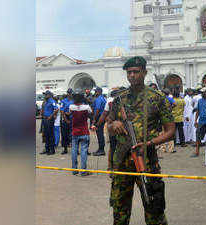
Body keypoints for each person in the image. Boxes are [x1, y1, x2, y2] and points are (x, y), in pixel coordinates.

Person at [106, 56, 175, 225]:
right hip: (122, 161)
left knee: (154, 208)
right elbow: (108, 123)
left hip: (146, 160)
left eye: (136, 72)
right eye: (129, 72)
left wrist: (149, 144)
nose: (132, 76)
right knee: (119, 210)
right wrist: (113, 124)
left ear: (144, 72)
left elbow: (170, 131)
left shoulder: (157, 98)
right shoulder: (119, 99)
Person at [69, 90, 92, 176]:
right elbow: (91, 114)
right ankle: (83, 170)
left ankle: (74, 170)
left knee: (74, 151)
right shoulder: (87, 107)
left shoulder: (71, 107)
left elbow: (70, 113)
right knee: (83, 151)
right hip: (84, 132)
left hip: (75, 132)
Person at [40, 90, 58, 155]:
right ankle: (47, 149)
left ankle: (52, 150)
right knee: (46, 135)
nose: (45, 95)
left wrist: (51, 116)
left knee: (51, 135)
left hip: (49, 120)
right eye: (45, 94)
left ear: (49, 95)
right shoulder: (45, 101)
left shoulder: (52, 101)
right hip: (44, 119)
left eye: (46, 94)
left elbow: (56, 109)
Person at [191, 87, 206, 157]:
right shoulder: (200, 100)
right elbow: (198, 111)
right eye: (202, 92)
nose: (203, 93)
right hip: (201, 121)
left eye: (205, 92)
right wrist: (195, 120)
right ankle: (197, 152)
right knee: (198, 136)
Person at [91, 87, 107, 156]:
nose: (95, 93)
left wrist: (94, 119)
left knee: (99, 134)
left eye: (96, 91)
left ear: (98, 92)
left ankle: (101, 150)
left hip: (98, 117)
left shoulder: (98, 99)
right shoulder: (103, 98)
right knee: (100, 133)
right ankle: (101, 149)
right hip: (102, 117)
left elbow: (97, 110)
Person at [60, 88, 74, 154]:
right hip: (65, 119)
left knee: (73, 135)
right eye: (68, 93)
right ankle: (65, 149)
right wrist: (66, 119)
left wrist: (71, 113)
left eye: (70, 93)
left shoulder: (74, 101)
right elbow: (62, 111)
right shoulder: (63, 101)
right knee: (64, 135)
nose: (69, 94)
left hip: (72, 119)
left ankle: (75, 149)